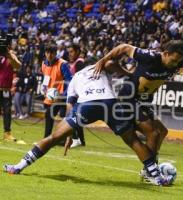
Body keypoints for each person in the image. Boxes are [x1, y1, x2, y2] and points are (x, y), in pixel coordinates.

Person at [3, 61, 169, 186]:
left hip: (87, 106)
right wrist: (127, 73)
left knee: (54, 137)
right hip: (110, 104)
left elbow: (70, 106)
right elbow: (111, 62)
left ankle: (18, 166)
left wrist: (70, 132)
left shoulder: (75, 78)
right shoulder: (100, 66)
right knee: (133, 140)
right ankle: (156, 177)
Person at [93, 40, 183, 176]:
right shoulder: (149, 57)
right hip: (128, 98)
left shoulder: (178, 61)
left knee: (162, 131)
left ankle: (151, 166)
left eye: (178, 62)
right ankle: (150, 171)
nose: (176, 65)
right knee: (153, 133)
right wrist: (102, 60)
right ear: (165, 54)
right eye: (174, 60)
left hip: (143, 101)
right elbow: (123, 47)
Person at [41, 43, 72, 138]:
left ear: (56, 53)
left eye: (52, 53)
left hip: (62, 96)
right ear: (45, 53)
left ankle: (64, 139)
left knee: (63, 117)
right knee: (51, 115)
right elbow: (46, 78)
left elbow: (69, 81)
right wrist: (44, 89)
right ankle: (48, 138)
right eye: (47, 52)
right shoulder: (44, 64)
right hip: (52, 96)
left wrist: (63, 95)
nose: (49, 55)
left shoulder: (63, 64)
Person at [0, 35, 24, 143]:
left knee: (7, 111)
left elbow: (18, 66)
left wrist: (9, 55)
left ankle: (7, 134)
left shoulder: (12, 55)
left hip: (6, 89)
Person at [67, 43, 85, 147]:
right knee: (77, 117)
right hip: (76, 94)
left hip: (76, 95)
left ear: (78, 51)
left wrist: (78, 94)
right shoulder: (77, 62)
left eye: (72, 52)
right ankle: (81, 140)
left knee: (70, 115)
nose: (70, 54)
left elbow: (80, 79)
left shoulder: (79, 63)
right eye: (69, 52)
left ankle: (75, 138)